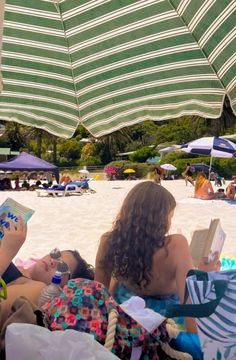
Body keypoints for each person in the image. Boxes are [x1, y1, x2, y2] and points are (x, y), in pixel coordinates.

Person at [95, 181, 220, 334]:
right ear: (160, 218)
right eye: (170, 216)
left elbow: (99, 295)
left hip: (125, 313)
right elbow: (190, 308)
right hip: (164, 319)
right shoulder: (176, 244)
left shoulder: (109, 241)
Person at [0, 218, 94, 327]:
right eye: (56, 254)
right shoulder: (22, 269)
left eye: (62, 267)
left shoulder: (37, 289)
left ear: (64, 288)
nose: (53, 261)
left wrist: (7, 252)